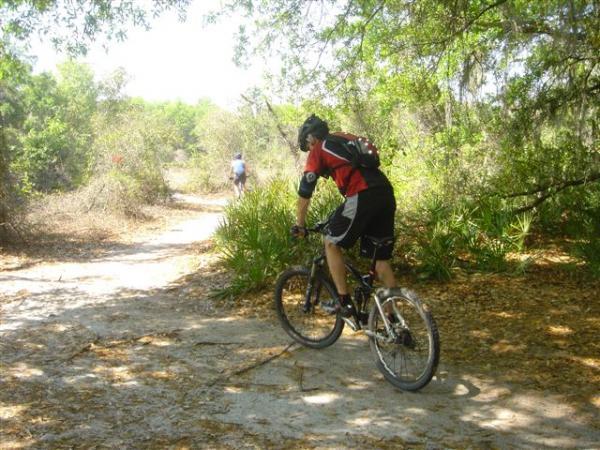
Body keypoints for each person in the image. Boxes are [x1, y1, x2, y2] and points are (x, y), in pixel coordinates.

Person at [291, 114, 397, 317]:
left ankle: (344, 302)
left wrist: (300, 225)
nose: (309, 148)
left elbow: (305, 192)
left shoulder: (319, 148)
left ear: (311, 138)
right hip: (385, 193)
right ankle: (395, 321)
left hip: (362, 194)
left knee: (330, 242)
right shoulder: (344, 137)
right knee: (381, 261)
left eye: (307, 144)